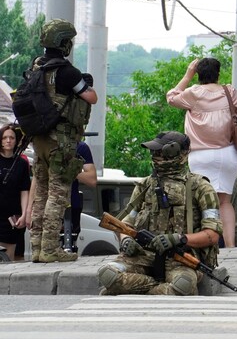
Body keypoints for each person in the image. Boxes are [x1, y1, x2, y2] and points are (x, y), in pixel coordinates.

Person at [97, 131, 223, 296]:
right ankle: (156, 288)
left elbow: (212, 235)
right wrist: (126, 239)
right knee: (107, 274)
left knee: (183, 284)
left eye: (159, 151)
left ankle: (142, 291)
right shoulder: (145, 186)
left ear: (175, 152)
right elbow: (125, 224)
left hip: (180, 259)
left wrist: (179, 239)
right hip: (143, 256)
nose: (155, 155)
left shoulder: (200, 187)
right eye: (153, 151)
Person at [166, 58, 237, 248]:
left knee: (202, 201)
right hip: (228, 154)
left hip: (200, 156)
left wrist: (187, 74)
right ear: (218, 73)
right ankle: (231, 246)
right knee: (225, 201)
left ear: (199, 74)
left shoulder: (193, 93)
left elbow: (171, 97)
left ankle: (208, 243)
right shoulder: (229, 92)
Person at [29, 19, 98, 263]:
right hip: (61, 141)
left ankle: (37, 248)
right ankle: (50, 249)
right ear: (64, 43)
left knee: (41, 194)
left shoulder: (36, 67)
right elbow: (91, 97)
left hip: (39, 140)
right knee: (58, 195)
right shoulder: (68, 72)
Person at [0, 124, 31, 261]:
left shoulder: (22, 164)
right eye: (5, 137)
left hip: (12, 216)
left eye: (11, 138)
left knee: (9, 257)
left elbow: (24, 191)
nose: (8, 140)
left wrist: (24, 214)